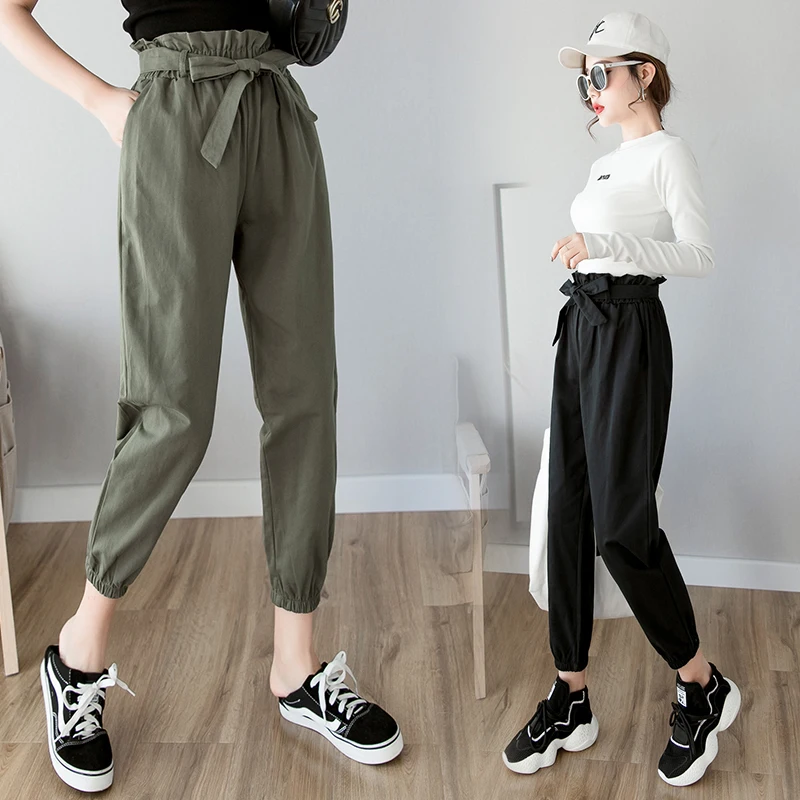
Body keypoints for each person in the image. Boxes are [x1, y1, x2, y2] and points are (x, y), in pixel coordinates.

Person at [0, 0, 403, 792]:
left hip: (276, 109)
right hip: (176, 113)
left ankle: (296, 667)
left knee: (305, 397)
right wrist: (101, 101)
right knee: (172, 411)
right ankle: (78, 655)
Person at [501, 11, 740, 788]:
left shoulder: (670, 153)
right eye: (585, 79)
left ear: (645, 73)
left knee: (623, 524)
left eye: (602, 73)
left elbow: (699, 254)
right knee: (566, 509)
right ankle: (570, 694)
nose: (591, 89)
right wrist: (592, 257)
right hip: (583, 327)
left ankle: (702, 684)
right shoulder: (607, 164)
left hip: (631, 331)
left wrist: (605, 247)